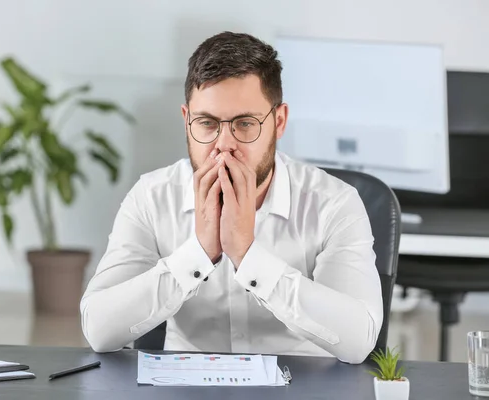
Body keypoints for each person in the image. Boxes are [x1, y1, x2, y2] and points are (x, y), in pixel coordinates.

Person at [80, 31, 383, 364]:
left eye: (244, 124)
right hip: (186, 387)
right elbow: (99, 330)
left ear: (278, 122)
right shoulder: (151, 197)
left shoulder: (334, 202)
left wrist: (248, 256)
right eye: (207, 123)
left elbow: (357, 342)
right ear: (186, 121)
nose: (224, 144)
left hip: (301, 386)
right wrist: (198, 254)